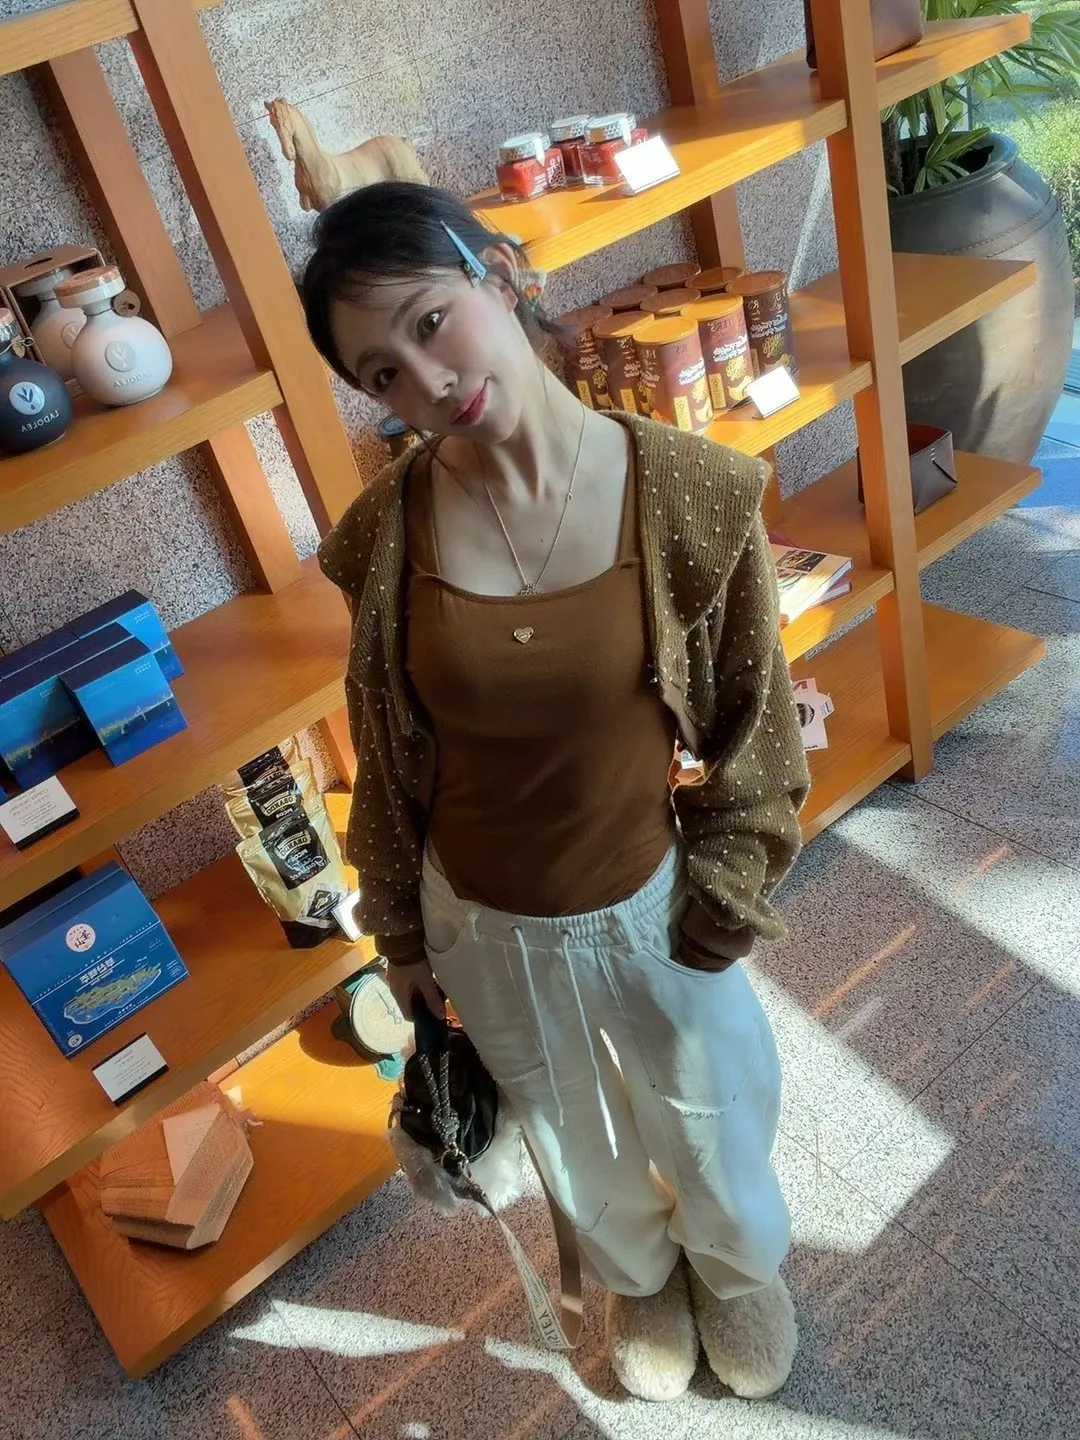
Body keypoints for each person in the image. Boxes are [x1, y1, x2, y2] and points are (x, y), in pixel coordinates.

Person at [304, 181, 810, 1404]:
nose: (428, 382)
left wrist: (726, 892)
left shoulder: (690, 491)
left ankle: (737, 1272)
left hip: (651, 904)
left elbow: (755, 722)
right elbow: (387, 750)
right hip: (481, 923)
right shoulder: (383, 538)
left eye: (432, 322)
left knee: (712, 1111)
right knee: (570, 1132)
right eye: (382, 373)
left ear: (499, 272)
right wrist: (402, 935)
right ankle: (641, 1280)